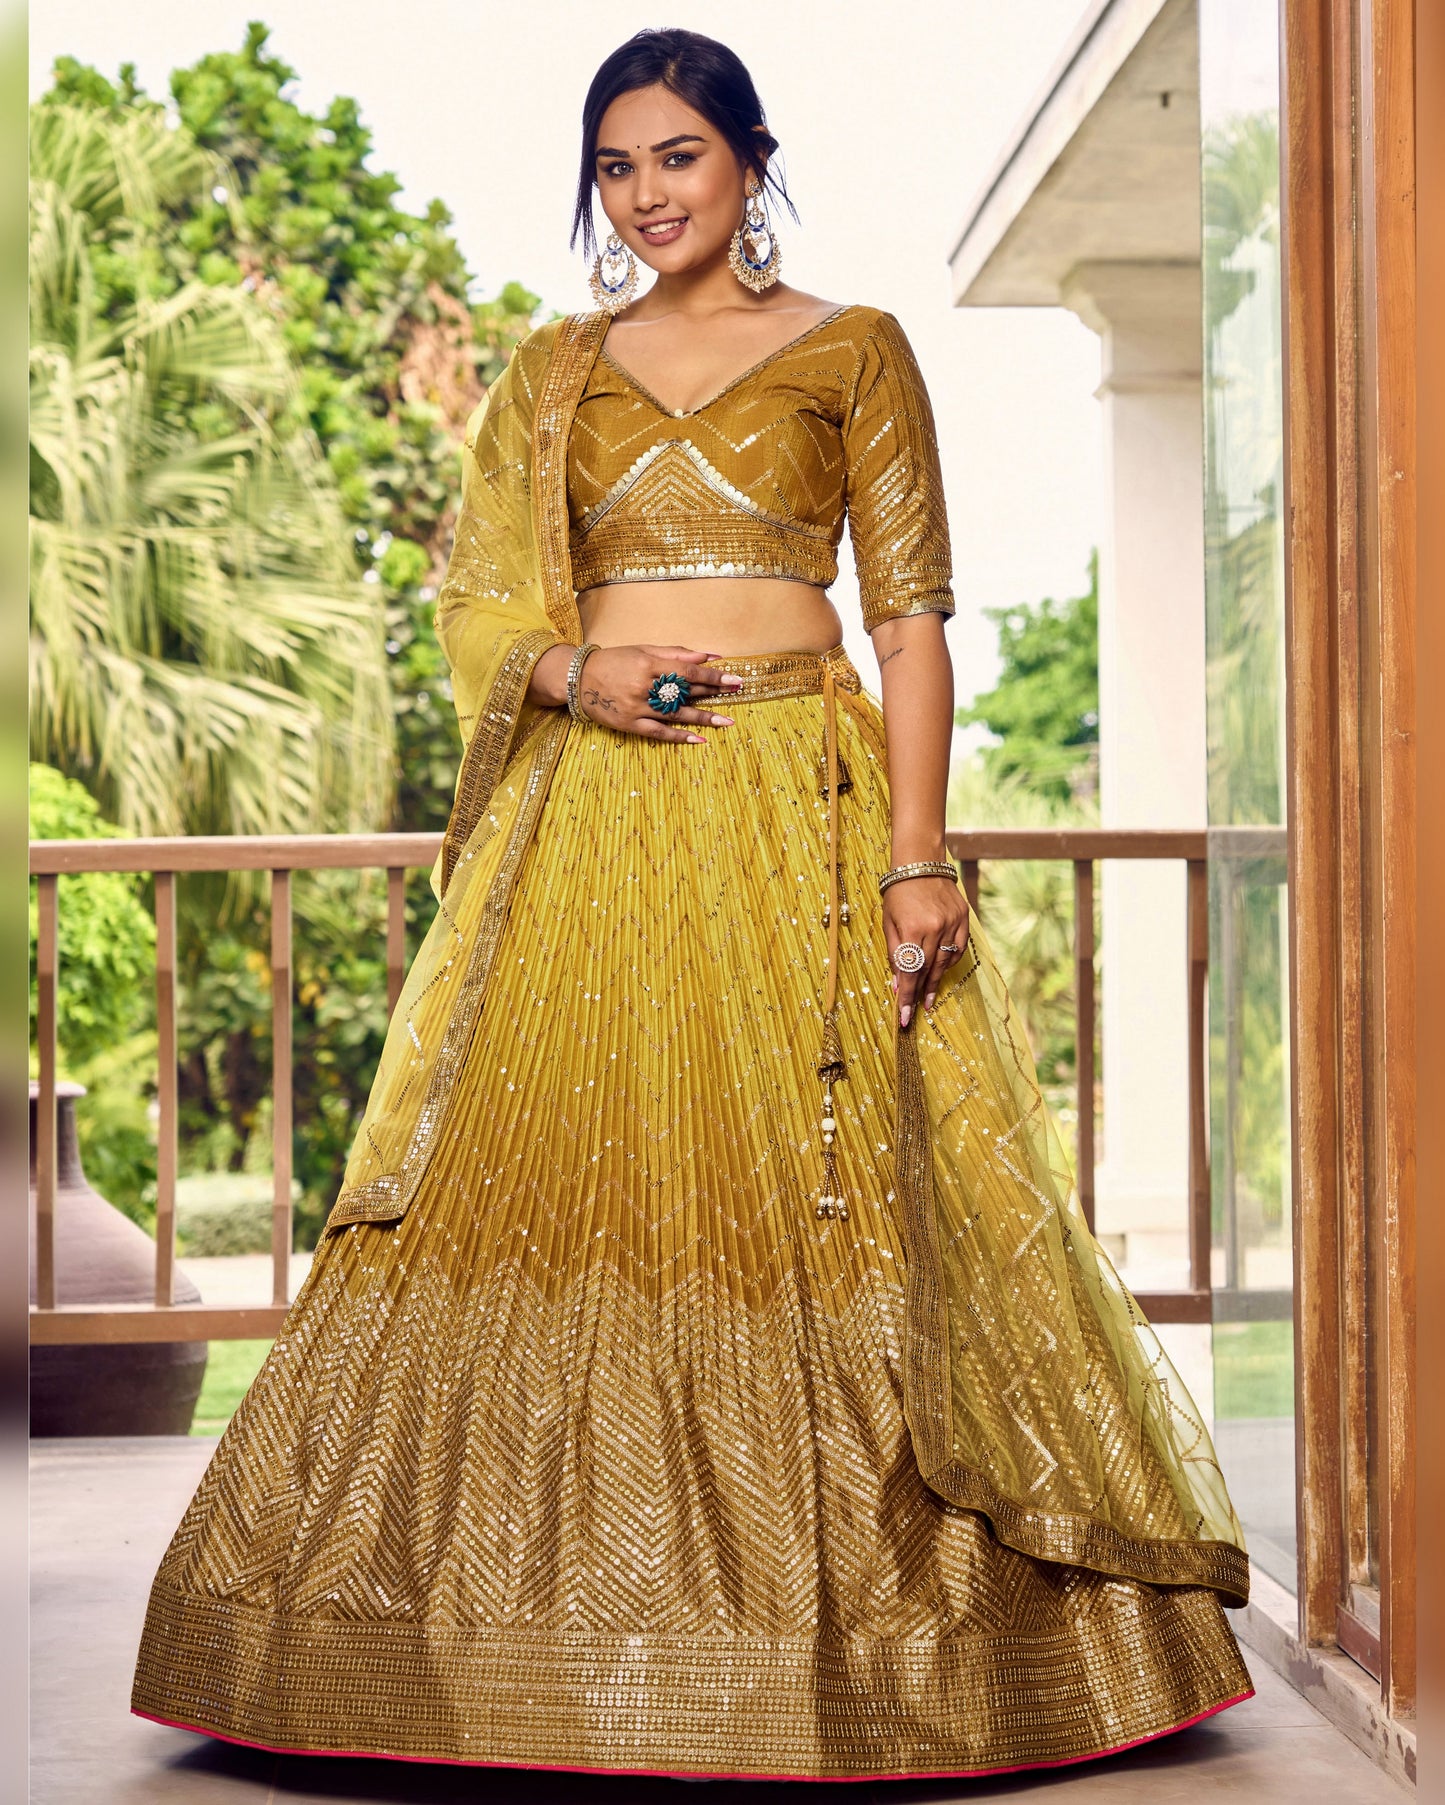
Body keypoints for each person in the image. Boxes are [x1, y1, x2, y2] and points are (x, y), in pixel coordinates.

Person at [131, 27, 1254, 1783]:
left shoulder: (852, 351)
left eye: (677, 157)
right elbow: (477, 605)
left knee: (813, 1196)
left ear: (747, 162)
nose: (645, 194)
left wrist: (916, 851)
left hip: (792, 805)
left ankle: (874, 1647)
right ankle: (474, 1648)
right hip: (591, 826)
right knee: (566, 1173)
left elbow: (910, 622)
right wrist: (573, 671)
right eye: (614, 164)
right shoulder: (552, 373)